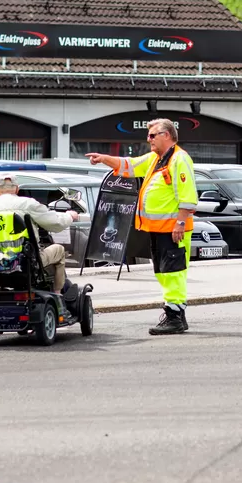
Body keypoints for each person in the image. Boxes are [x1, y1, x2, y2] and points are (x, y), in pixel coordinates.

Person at [86, 118, 198, 336]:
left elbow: (188, 196)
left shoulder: (179, 159)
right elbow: (130, 166)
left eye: (153, 135)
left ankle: (174, 316)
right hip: (159, 228)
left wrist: (180, 223)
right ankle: (175, 314)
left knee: (173, 272)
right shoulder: (157, 158)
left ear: (166, 135)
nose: (149, 139)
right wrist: (103, 159)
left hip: (173, 228)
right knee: (164, 272)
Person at [0, 172, 79, 293]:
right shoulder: (27, 204)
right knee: (59, 249)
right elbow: (56, 223)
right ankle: (58, 295)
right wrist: (69, 216)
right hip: (26, 260)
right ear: (16, 189)